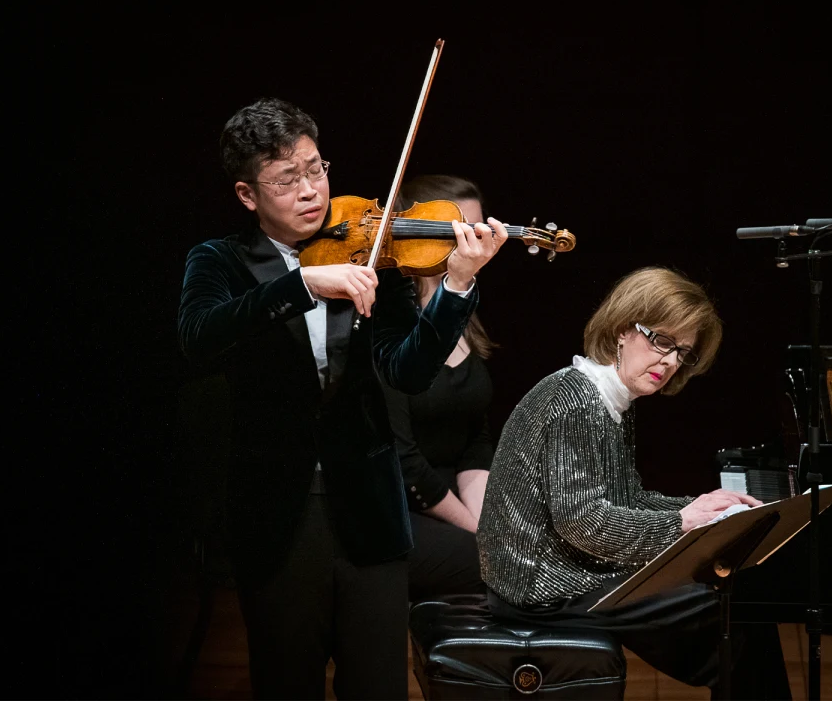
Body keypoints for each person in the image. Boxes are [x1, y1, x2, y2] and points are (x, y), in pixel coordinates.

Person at [178, 97, 508, 700]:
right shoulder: (219, 262)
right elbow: (200, 339)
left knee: (378, 687)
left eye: (315, 168)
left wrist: (457, 285)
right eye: (286, 179)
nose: (310, 190)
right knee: (288, 683)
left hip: (370, 513)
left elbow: (406, 371)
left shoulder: (370, 251)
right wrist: (302, 283)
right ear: (248, 195)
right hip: (280, 512)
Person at [476, 266, 791, 700]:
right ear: (623, 330)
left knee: (736, 606)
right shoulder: (576, 401)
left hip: (569, 573)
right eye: (662, 340)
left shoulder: (610, 400)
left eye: (682, 352)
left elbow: (626, 498)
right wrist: (682, 522)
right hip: (542, 588)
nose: (669, 360)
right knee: (728, 612)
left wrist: (703, 507)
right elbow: (583, 523)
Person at [382, 175, 496, 603]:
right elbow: (403, 460)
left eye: (480, 228)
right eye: (465, 230)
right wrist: (476, 528)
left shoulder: (463, 306)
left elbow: (475, 439)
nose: (479, 242)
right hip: (398, 508)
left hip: (454, 499)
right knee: (490, 563)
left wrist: (486, 517)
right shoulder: (389, 321)